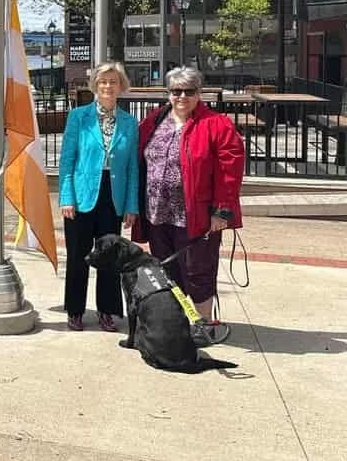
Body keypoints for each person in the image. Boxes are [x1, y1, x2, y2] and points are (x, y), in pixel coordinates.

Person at [134, 66, 245, 322]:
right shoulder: (153, 121)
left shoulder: (217, 125)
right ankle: (178, 320)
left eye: (189, 91)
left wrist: (222, 211)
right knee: (166, 271)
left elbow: (230, 172)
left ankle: (204, 323)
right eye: (176, 91)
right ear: (168, 93)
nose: (181, 96)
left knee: (198, 272)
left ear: (199, 93)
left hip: (196, 217)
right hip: (156, 214)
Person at [57, 62, 140, 332]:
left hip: (112, 197)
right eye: (103, 81)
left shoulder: (129, 122)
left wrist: (131, 205)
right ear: (95, 85)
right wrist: (66, 197)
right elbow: (67, 161)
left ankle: (107, 310)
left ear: (121, 86)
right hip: (81, 197)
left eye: (113, 81)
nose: (107, 86)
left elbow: (131, 168)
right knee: (78, 256)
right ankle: (75, 310)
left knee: (110, 258)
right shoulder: (78, 117)